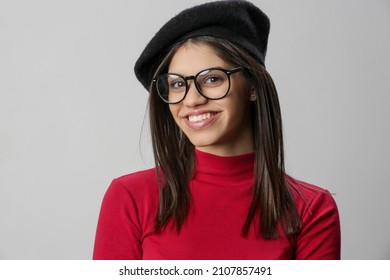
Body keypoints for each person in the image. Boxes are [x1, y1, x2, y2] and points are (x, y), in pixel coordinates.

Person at [93, 0, 341, 260]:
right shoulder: (131, 198)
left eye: (212, 79)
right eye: (177, 84)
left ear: (253, 86)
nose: (191, 100)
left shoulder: (311, 209)